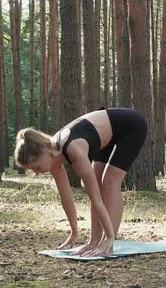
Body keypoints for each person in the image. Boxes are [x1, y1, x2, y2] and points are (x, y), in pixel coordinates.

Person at [13, 107, 147, 257]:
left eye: (36, 167)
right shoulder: (53, 158)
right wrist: (74, 233)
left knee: (109, 182)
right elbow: (66, 197)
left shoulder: (73, 150)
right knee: (96, 180)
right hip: (107, 133)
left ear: (45, 151)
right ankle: (94, 241)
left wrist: (108, 236)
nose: (37, 173)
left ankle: (109, 242)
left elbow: (95, 198)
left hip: (130, 125)